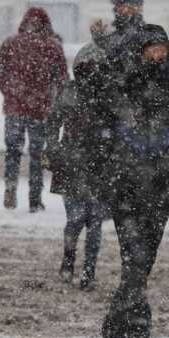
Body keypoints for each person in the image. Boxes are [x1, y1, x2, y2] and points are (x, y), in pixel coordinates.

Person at [100, 27, 169, 338]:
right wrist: (108, 175)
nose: (158, 56)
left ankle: (118, 326)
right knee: (136, 259)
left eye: (162, 50)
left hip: (160, 191)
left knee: (142, 263)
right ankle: (136, 331)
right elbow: (104, 134)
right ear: (141, 52)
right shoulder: (122, 84)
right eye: (152, 50)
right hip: (125, 190)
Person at [45, 43, 114, 291]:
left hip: (100, 165)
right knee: (75, 219)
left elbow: (122, 128)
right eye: (88, 67)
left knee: (95, 222)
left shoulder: (110, 96)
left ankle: (89, 270)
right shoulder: (70, 92)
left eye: (98, 67)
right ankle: (68, 261)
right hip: (72, 163)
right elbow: (53, 123)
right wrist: (53, 149)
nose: (93, 72)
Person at [0, 7, 68, 213]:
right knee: (37, 154)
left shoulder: (11, 43)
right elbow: (62, 79)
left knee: (13, 151)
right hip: (40, 109)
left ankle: (10, 186)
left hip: (14, 107)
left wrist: (9, 89)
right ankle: (35, 198)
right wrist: (56, 100)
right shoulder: (53, 46)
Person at [90, 0, 151, 80]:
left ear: (133, 9)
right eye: (117, 6)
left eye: (120, 6)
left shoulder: (138, 32)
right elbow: (108, 45)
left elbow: (121, 56)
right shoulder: (122, 31)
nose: (115, 9)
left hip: (129, 88)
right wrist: (98, 35)